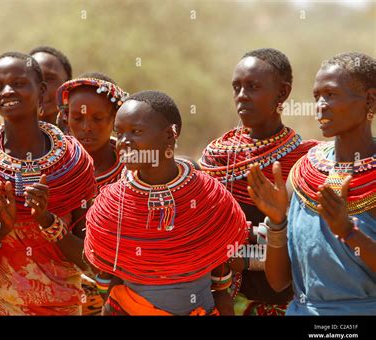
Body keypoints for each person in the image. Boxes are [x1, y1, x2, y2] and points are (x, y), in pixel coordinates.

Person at [0, 52, 96, 315]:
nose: (6, 91)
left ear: (41, 91)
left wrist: (49, 222)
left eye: (18, 83)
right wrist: (0, 231)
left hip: (58, 309)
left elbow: (90, 261)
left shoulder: (74, 164)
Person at [85, 90, 248, 315]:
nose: (124, 142)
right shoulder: (112, 205)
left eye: (136, 132)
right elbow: (108, 282)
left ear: (170, 135)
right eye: (119, 132)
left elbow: (226, 272)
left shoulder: (209, 197)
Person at [247, 52, 375, 315]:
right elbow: (279, 280)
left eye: (331, 94)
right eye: (317, 96)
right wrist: (278, 222)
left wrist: (349, 232)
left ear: (370, 100)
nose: (320, 105)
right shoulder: (303, 173)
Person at [199, 48, 318, 315]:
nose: (242, 96)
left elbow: (309, 242)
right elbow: (203, 233)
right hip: (225, 300)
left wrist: (246, 256)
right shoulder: (217, 157)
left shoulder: (307, 160)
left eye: (253, 87)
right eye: (236, 87)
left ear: (283, 93)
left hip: (293, 301)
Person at [57, 72, 128, 315]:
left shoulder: (134, 169)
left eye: (98, 118)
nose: (87, 128)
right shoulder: (54, 168)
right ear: (65, 118)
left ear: (116, 118)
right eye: (78, 118)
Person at [30, 46, 72, 131]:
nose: (41, 87)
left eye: (49, 78)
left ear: (68, 85)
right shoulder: (1, 140)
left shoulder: (84, 138)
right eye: (33, 78)